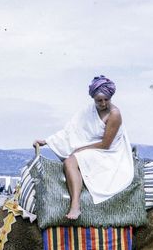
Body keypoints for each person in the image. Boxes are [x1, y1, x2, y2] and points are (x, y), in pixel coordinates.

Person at [33, 75, 133, 219]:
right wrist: (47, 141)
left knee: (70, 161)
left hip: (109, 152)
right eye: (99, 100)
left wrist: (81, 149)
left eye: (107, 99)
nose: (103, 103)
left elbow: (106, 144)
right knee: (71, 158)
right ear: (93, 99)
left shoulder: (114, 114)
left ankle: (75, 206)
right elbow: (71, 130)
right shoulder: (88, 111)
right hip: (94, 147)